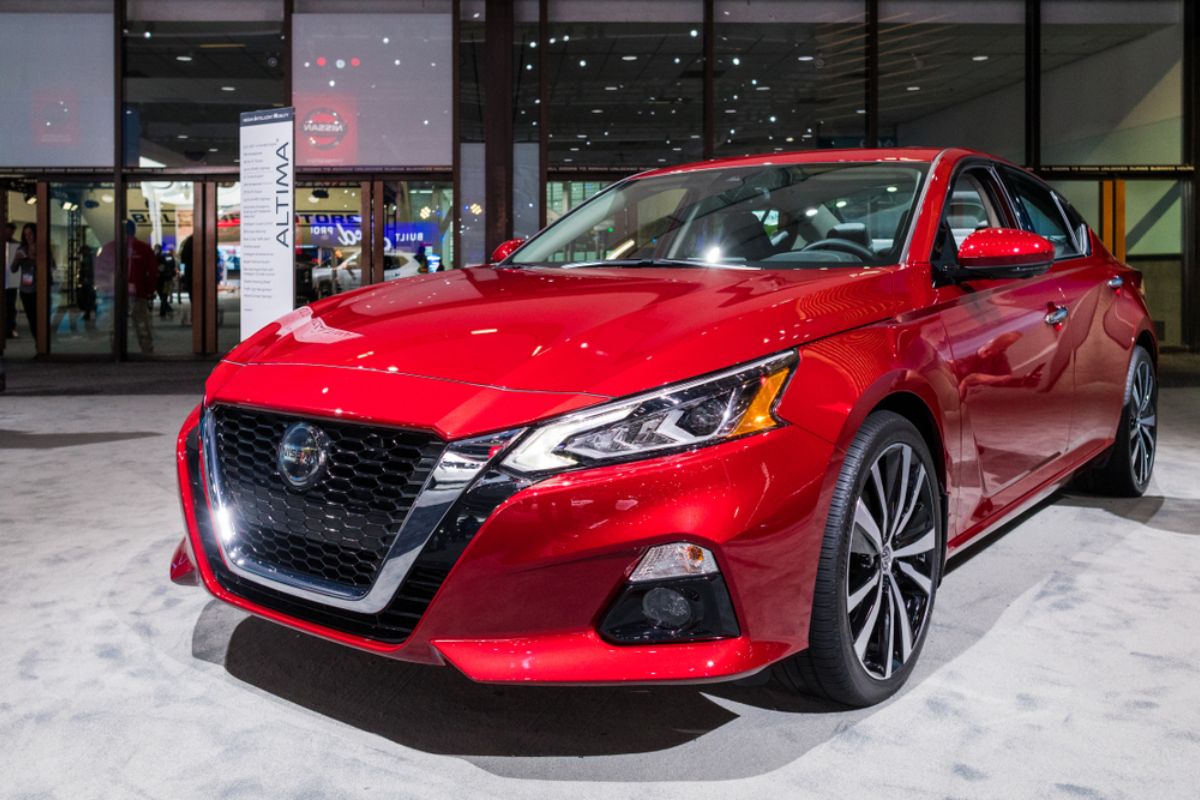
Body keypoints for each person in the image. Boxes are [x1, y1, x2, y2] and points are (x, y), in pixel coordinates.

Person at [125, 220, 157, 354]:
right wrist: (149, 291)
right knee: (141, 323)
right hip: (139, 293)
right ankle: (146, 349)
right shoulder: (144, 248)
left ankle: (115, 350)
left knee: (116, 325)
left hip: (118, 294)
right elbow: (153, 272)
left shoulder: (113, 247)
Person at [11, 223, 40, 338]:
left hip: (40, 288)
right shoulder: (21, 248)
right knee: (32, 319)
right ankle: (38, 346)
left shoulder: (42, 247)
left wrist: (35, 257)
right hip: (26, 290)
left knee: (40, 319)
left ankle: (42, 347)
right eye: (26, 234)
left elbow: (52, 266)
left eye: (31, 234)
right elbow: (13, 269)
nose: (28, 237)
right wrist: (17, 259)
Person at [3, 222, 17, 338]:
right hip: (8, 279)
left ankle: (10, 328)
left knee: (10, 306)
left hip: (11, 280)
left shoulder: (15, 245)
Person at [156, 244, 176, 318]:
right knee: (164, 295)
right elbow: (172, 267)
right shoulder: (169, 257)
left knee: (162, 295)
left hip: (159, 279)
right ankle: (166, 310)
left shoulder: (156, 257)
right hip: (167, 278)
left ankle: (164, 310)